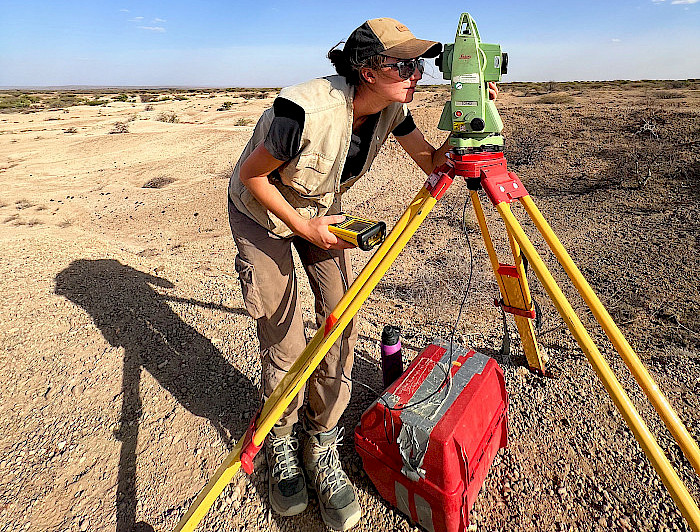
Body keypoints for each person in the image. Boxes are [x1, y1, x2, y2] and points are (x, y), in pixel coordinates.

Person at [228, 17, 497, 531]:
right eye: (404, 65)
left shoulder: (393, 110)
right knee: (285, 339)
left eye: (419, 64)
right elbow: (252, 176)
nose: (417, 74)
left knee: (340, 323)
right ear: (367, 70)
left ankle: (320, 441)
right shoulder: (299, 110)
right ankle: (280, 443)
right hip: (263, 211)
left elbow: (434, 163)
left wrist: (470, 119)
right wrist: (303, 228)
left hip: (320, 211)